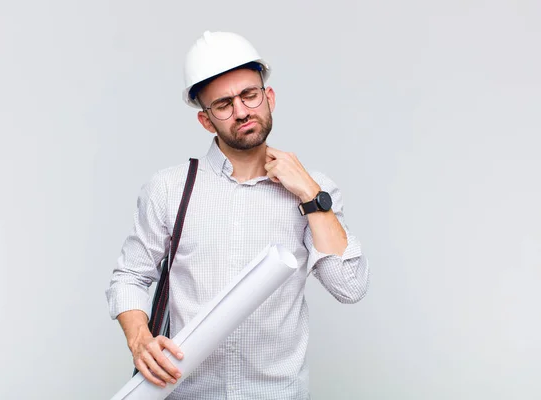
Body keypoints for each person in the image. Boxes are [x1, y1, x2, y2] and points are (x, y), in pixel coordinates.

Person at [106, 30, 370, 399]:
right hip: (188, 393)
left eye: (249, 95)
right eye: (224, 104)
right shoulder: (169, 188)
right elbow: (129, 277)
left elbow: (350, 286)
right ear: (206, 120)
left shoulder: (314, 190)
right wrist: (140, 340)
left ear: (269, 97)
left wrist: (311, 194)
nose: (242, 111)